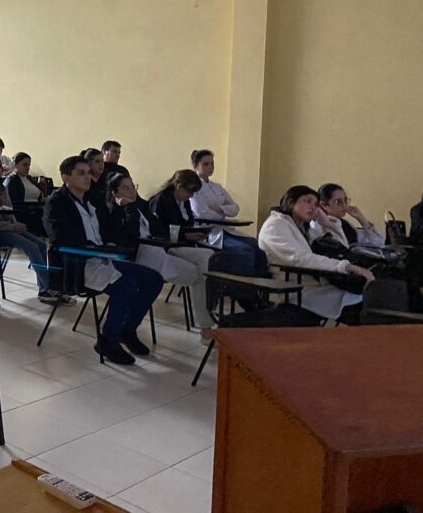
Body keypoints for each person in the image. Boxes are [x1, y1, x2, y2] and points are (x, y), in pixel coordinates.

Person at [43, 156, 163, 366]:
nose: (87, 177)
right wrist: (97, 250)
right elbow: (59, 238)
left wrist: (114, 237)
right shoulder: (56, 203)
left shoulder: (94, 200)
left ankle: (127, 330)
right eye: (81, 173)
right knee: (126, 285)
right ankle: (109, 340)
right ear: (65, 178)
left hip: (104, 258)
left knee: (154, 279)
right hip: (77, 263)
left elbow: (111, 230)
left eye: (88, 173)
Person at [107, 173, 213, 337]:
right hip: (145, 257)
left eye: (133, 186)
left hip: (162, 249)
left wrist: (171, 242)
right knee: (199, 277)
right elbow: (131, 235)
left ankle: (211, 301)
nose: (132, 191)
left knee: (209, 257)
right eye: (125, 188)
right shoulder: (114, 212)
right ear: (115, 193)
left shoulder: (140, 206)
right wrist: (128, 208)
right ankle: (207, 325)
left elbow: (160, 229)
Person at [259, 185, 373, 320]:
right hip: (294, 289)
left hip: (316, 284)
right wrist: (345, 266)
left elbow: (342, 248)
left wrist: (328, 223)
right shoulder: (276, 224)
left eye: (315, 204)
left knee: (370, 297)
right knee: (363, 304)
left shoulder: (302, 228)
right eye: (308, 201)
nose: (313, 207)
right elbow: (299, 258)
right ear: (291, 202)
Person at [0, 155, 68, 305]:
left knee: (41, 244)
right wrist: (12, 227)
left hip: (8, 228)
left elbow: (9, 211)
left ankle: (43, 288)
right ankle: (49, 288)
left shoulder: (1, 188)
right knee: (31, 247)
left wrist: (15, 224)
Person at [188, 149, 268, 272]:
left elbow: (235, 208)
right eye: (206, 164)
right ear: (195, 166)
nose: (210, 167)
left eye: (212, 163)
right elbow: (202, 213)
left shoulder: (217, 187)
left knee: (256, 245)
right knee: (245, 250)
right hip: (208, 233)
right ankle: (242, 282)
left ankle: (260, 280)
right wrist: (223, 212)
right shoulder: (194, 187)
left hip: (224, 229)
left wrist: (218, 208)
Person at [311, 183, 384, 248]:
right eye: (338, 202)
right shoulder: (317, 226)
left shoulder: (345, 225)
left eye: (345, 200)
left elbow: (378, 243)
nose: (344, 205)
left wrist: (362, 219)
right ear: (323, 205)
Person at [3, 151, 47, 236]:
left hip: (36, 210)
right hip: (25, 213)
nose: (28, 168)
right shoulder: (12, 180)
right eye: (24, 165)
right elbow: (12, 202)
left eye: (29, 165)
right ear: (15, 165)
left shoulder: (29, 179)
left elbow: (38, 195)